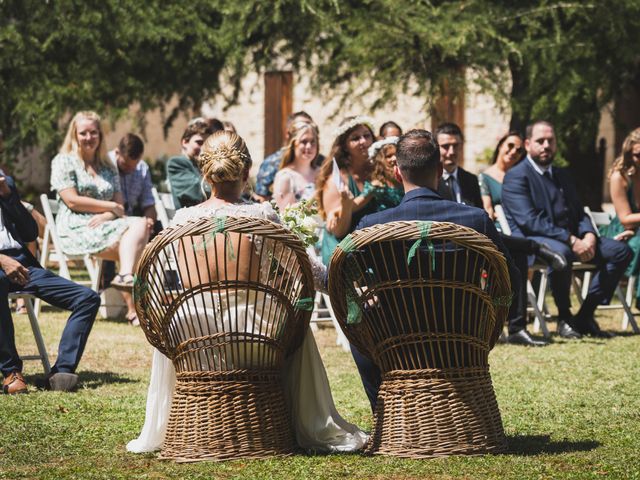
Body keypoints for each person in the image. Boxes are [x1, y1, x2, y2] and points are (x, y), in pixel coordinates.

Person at [127, 130, 367, 454]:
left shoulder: (181, 219)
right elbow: (312, 272)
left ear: (205, 172)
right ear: (246, 171)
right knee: (295, 327)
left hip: (192, 338)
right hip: (252, 339)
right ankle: (302, 419)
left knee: (185, 314)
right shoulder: (262, 216)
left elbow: (167, 282)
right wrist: (347, 286)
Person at [352, 129, 518, 411]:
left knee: (359, 330)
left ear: (397, 172)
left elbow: (338, 277)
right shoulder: (475, 220)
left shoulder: (373, 226)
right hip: (464, 333)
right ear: (440, 171)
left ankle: (388, 413)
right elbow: (510, 276)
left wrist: (369, 292)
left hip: (396, 337)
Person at [502, 120, 632, 339]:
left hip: (573, 239)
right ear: (527, 144)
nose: (546, 145)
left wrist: (589, 234)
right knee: (560, 253)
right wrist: (572, 240)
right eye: (540, 141)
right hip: (536, 241)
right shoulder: (516, 176)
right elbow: (530, 221)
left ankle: (585, 315)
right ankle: (564, 318)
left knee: (621, 251)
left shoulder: (563, 174)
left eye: (550, 141)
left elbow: (578, 212)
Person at [0, 169, 100, 394]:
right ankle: (11, 372)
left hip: (22, 263)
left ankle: (61, 372)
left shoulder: (6, 183)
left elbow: (29, 232)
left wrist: (7, 195)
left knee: (87, 298)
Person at [50, 111, 150, 326]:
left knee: (141, 229)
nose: (89, 138)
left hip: (106, 225)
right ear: (74, 135)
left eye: (93, 133)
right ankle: (136, 308)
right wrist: (110, 207)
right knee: (139, 239)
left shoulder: (107, 166)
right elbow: (72, 201)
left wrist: (107, 214)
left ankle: (125, 281)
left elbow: (120, 206)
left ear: (101, 136)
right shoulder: (63, 161)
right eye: (83, 133)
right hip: (76, 226)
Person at [480, 132, 567, 346]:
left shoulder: (523, 176)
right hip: (499, 231)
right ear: (499, 146)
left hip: (520, 232)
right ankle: (535, 248)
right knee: (517, 251)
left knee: (519, 253)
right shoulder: (485, 177)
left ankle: (518, 324)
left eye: (519, 150)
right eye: (510, 146)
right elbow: (487, 210)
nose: (513, 152)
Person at [315, 116, 378, 264]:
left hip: (376, 247)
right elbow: (338, 231)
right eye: (355, 138)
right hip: (344, 252)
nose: (363, 141)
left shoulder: (378, 171)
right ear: (345, 146)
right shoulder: (336, 180)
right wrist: (346, 204)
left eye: (366, 136)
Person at [601, 127, 640, 308]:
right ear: (628, 153)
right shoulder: (620, 177)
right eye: (637, 155)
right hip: (624, 231)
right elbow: (625, 218)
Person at [254, 111, 324, 202]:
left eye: (312, 141)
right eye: (301, 127)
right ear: (289, 135)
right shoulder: (272, 164)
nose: (309, 146)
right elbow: (262, 199)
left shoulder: (322, 164)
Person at [272, 120, 320, 211]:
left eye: (313, 141)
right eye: (304, 141)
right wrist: (314, 197)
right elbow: (284, 212)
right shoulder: (286, 177)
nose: (309, 146)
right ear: (294, 144)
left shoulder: (321, 173)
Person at [166, 121, 214, 209]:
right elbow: (197, 191)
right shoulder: (176, 163)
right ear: (184, 142)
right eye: (199, 142)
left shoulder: (203, 166)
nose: (204, 148)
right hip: (190, 219)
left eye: (207, 144)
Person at [435, 122, 483, 208]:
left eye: (456, 146)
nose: (452, 152)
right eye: (445, 146)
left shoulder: (471, 180)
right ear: (436, 147)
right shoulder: (430, 180)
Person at [361, 136, 403, 210]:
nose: (394, 158)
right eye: (389, 156)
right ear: (380, 161)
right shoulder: (377, 185)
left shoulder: (409, 179)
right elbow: (356, 205)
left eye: (396, 154)